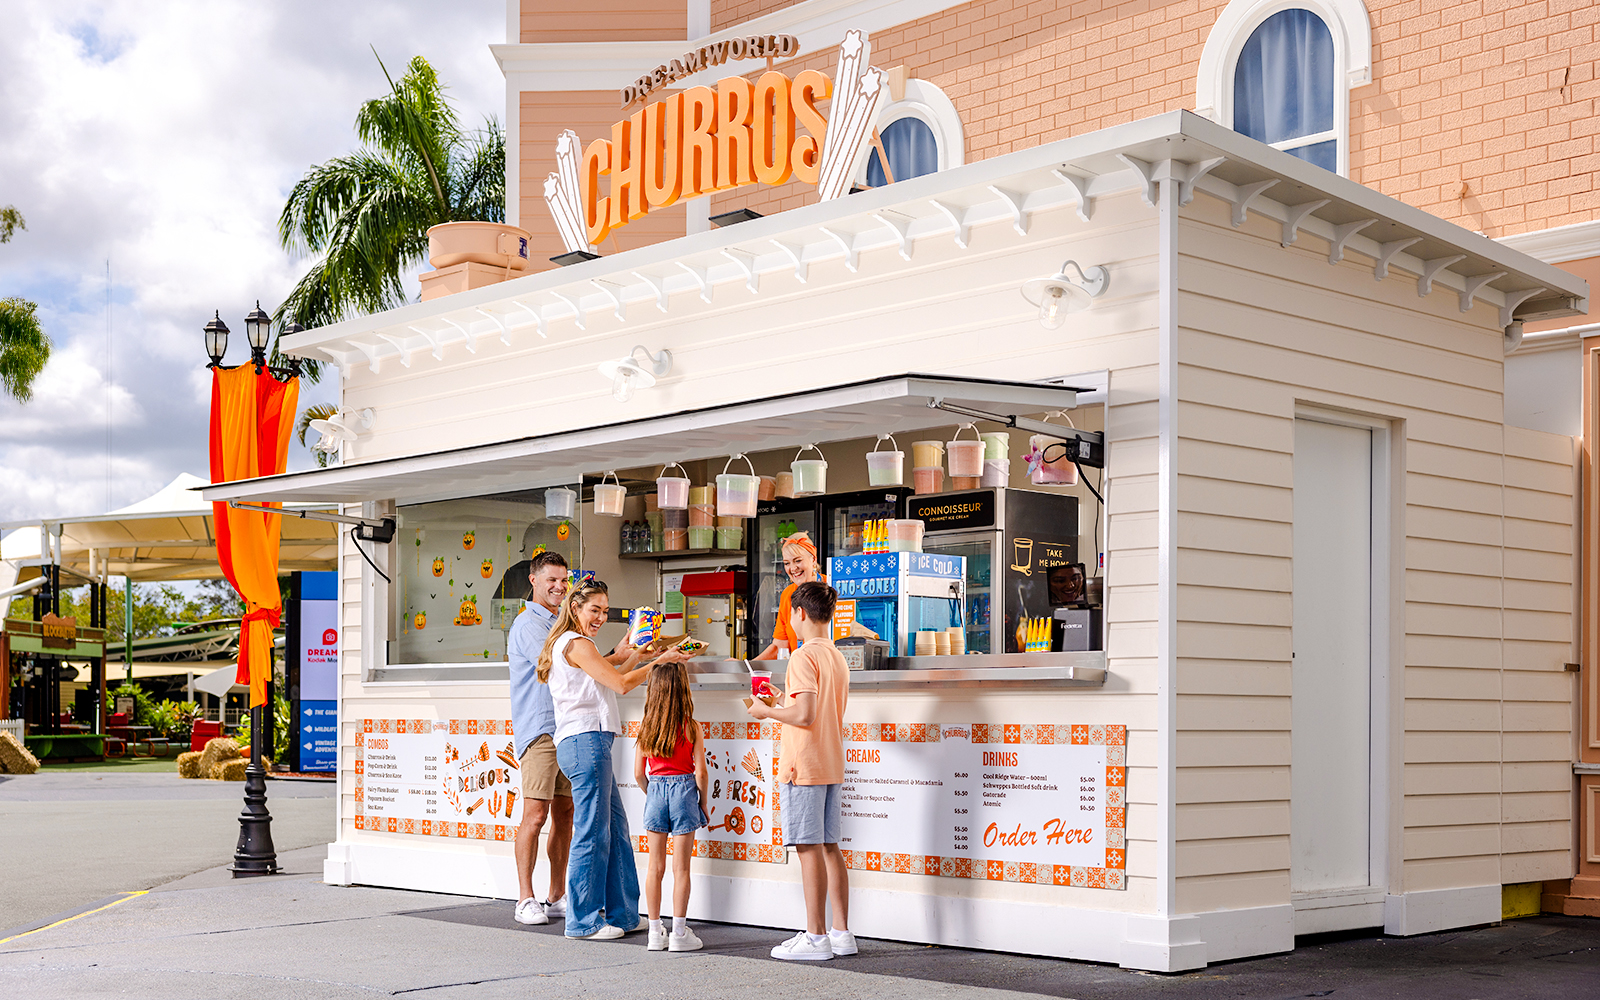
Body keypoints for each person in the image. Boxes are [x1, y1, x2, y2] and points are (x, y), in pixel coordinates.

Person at [539, 579, 687, 940]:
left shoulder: (576, 644)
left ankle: (622, 913)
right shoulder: (576, 643)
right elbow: (620, 685)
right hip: (584, 742)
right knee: (592, 832)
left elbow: (608, 676)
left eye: (606, 611)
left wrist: (634, 654)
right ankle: (582, 921)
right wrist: (661, 662)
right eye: (595, 610)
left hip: (590, 742)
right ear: (575, 607)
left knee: (616, 831)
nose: (601, 617)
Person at [745, 580, 854, 961]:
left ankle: (815, 937)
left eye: (789, 613)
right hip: (829, 761)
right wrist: (781, 701)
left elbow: (804, 715)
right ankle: (840, 933)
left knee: (808, 848)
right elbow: (812, 708)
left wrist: (766, 711)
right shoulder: (836, 656)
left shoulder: (803, 657)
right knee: (829, 847)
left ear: (800, 614)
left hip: (803, 764)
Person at [507, 551, 576, 926]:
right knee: (535, 815)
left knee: (564, 814)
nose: (558, 587)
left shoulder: (561, 622)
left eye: (564, 580)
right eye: (551, 579)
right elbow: (562, 665)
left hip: (566, 728)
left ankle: (556, 894)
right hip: (540, 731)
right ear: (533, 580)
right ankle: (524, 899)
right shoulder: (529, 624)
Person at [634, 661, 708, 953]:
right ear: (683, 690)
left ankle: (654, 932)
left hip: (656, 790)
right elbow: (701, 772)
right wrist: (702, 801)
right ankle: (679, 932)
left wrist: (652, 792)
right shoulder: (691, 726)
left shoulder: (645, 727)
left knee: (655, 867)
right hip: (684, 790)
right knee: (682, 869)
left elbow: (639, 773)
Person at [753, 530, 822, 661]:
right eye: (787, 563)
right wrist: (749, 667)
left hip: (828, 668)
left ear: (813, 559)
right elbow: (780, 645)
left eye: (798, 561)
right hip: (800, 669)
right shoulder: (788, 595)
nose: (793, 568)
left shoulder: (831, 588)